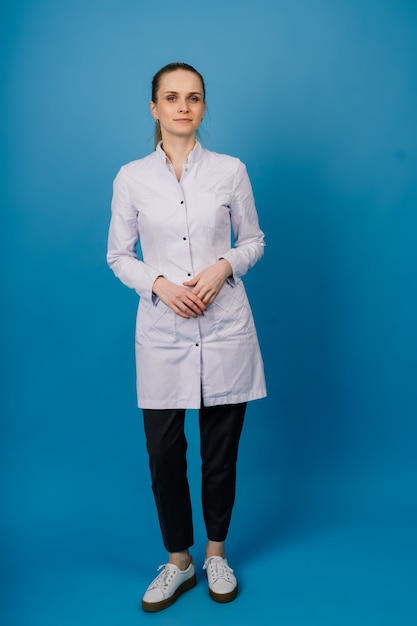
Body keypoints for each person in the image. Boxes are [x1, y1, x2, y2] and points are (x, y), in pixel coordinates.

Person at [107, 62, 266, 612]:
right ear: (154, 108)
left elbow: (253, 241)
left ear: (203, 107)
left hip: (225, 329)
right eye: (170, 97)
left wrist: (223, 267)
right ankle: (178, 562)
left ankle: (216, 553)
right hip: (162, 331)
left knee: (220, 454)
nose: (182, 106)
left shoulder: (230, 170)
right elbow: (117, 255)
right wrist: (157, 284)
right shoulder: (131, 177)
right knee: (164, 453)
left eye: (193, 97)